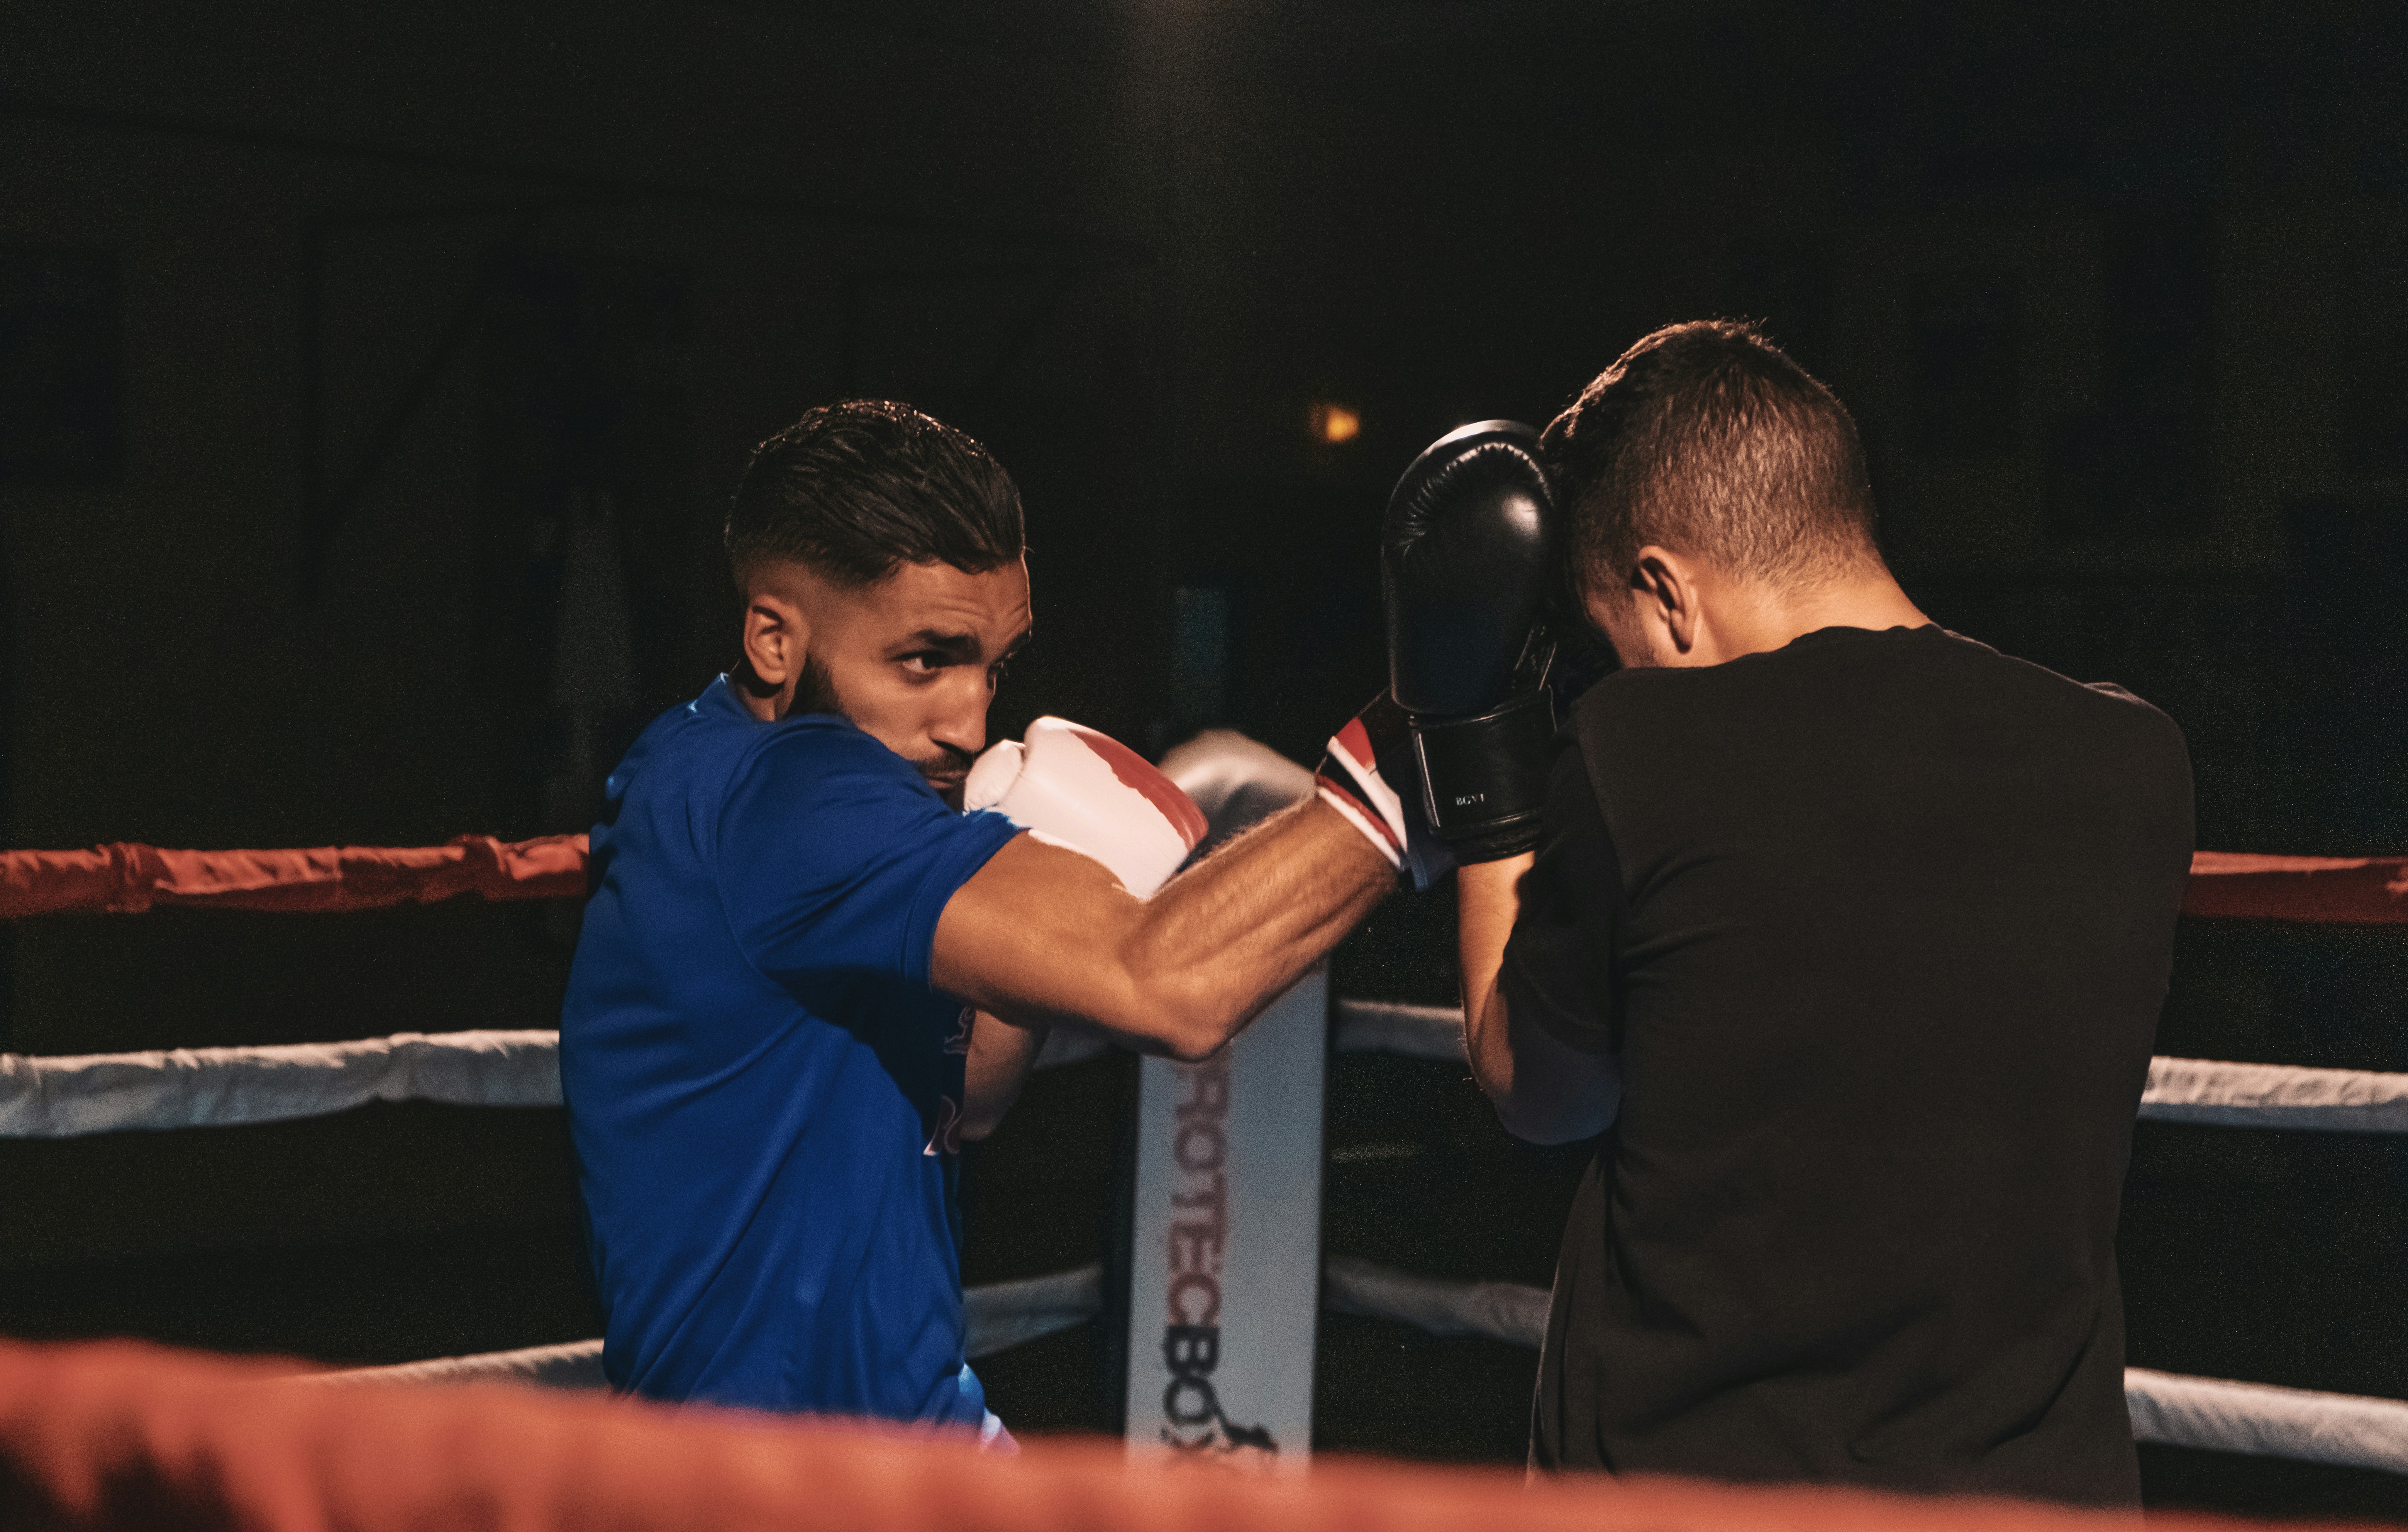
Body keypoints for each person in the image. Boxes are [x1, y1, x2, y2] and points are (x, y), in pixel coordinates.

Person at [1439, 322, 2194, 1505]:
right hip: (2040, 1498)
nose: (1616, 671)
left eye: (1612, 637)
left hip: (1698, 1492)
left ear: (1664, 590)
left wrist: (1474, 738)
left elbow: (1540, 1092)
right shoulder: (2137, 763)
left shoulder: (1646, 749)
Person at [559, 400, 1398, 1439]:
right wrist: (1410, 760)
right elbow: (1172, 991)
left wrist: (1045, 883)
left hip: (918, 1435)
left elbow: (967, 1094)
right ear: (775, 637)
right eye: (925, 660)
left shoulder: (699, 761)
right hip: (774, 1487)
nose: (970, 722)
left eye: (993, 667)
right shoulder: (796, 798)